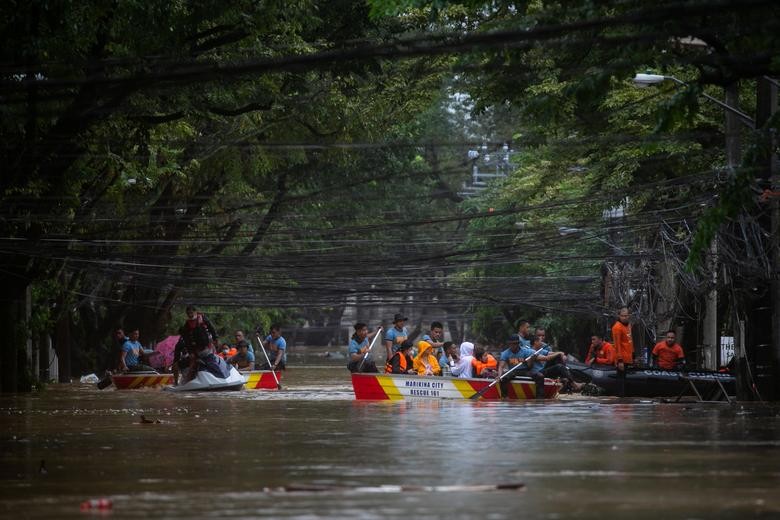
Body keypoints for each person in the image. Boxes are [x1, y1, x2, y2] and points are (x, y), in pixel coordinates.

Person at [611, 307, 634, 396]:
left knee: (624, 377)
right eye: (622, 316)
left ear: (629, 316)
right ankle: (620, 396)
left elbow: (630, 340)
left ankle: (623, 396)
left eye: (626, 315)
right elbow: (617, 345)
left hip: (628, 356)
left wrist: (633, 354)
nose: (624, 317)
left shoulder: (628, 325)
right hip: (621, 357)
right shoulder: (617, 327)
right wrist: (620, 360)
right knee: (620, 377)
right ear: (619, 316)